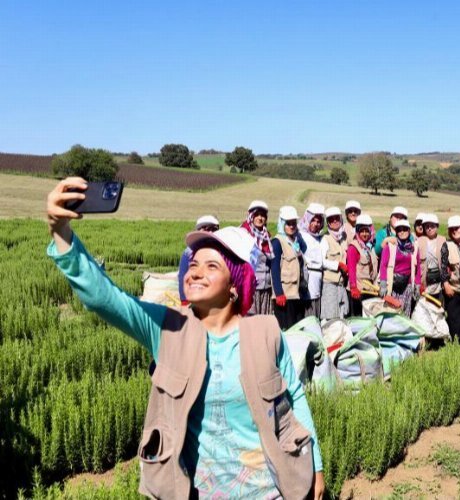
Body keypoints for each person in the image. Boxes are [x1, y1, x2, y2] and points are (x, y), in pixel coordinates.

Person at [46, 178, 325, 499]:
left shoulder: (265, 331)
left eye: (211, 266)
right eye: (192, 264)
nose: (194, 272)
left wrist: (315, 466)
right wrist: (61, 233)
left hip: (266, 491)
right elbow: (104, 298)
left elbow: (295, 397)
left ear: (235, 284)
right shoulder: (169, 329)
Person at [270, 206, 308, 329]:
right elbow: (274, 269)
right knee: (287, 329)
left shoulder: (295, 241)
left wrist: (298, 236)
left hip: (296, 293)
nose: (291, 226)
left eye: (294, 223)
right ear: (282, 223)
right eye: (288, 223)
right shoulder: (277, 242)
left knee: (296, 328)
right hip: (285, 295)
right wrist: (279, 293)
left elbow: (304, 248)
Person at [379, 219, 422, 316]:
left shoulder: (414, 248)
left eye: (404, 229)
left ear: (409, 231)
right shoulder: (390, 247)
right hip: (392, 285)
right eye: (399, 230)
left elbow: (418, 267)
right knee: (391, 312)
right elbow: (383, 265)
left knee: (404, 313)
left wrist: (417, 285)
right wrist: (383, 283)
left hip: (407, 286)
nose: (402, 232)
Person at [241, 200, 274, 315]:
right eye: (257, 215)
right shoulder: (243, 234)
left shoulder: (267, 237)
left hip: (265, 288)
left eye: (263, 215)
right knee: (250, 323)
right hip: (249, 288)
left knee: (263, 322)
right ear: (251, 216)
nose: (260, 218)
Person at [178, 215, 219, 303]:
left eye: (214, 229)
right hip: (195, 297)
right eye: (206, 228)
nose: (210, 232)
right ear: (199, 230)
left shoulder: (221, 251)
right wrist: (184, 300)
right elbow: (183, 277)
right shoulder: (189, 252)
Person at [320, 207, 349, 320]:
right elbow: (321, 261)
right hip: (330, 283)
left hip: (341, 284)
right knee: (331, 316)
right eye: (331, 219)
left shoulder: (343, 238)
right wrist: (338, 265)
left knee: (343, 313)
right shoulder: (325, 239)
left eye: (337, 218)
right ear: (328, 223)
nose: (335, 221)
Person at [346, 214, 379, 316]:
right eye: (362, 231)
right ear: (358, 232)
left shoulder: (370, 247)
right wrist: (353, 287)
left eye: (367, 231)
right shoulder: (353, 247)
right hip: (358, 290)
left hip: (369, 290)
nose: (364, 234)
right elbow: (351, 269)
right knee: (358, 319)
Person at [300, 203, 326, 318]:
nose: (316, 224)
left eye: (319, 221)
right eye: (313, 220)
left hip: (318, 278)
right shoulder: (301, 235)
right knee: (308, 310)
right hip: (308, 277)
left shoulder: (320, 237)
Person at [418, 214, 445, 300]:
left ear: (437, 227)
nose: (429, 228)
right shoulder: (419, 241)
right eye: (427, 226)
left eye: (432, 226)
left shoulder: (443, 240)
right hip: (425, 282)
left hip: (439, 283)